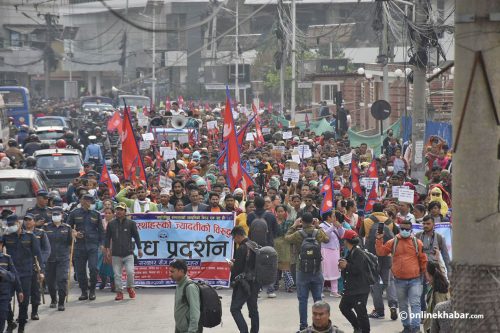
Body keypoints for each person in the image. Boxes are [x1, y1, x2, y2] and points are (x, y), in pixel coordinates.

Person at [376, 220, 428, 333]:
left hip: (415, 279)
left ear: (411, 230)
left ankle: (415, 329)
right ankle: (406, 327)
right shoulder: (392, 242)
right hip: (399, 281)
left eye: (407, 229)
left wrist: (423, 274)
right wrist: (379, 239)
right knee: (403, 306)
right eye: (402, 229)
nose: (404, 231)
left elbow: (423, 259)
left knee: (415, 304)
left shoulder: (417, 243)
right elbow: (380, 252)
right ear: (399, 229)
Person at [285, 213, 329, 331]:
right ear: (312, 221)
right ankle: (320, 325)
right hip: (316, 269)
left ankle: (303, 325)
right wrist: (318, 226)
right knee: (318, 300)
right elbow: (326, 239)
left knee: (302, 300)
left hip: (302, 270)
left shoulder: (298, 234)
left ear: (302, 222)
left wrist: (294, 226)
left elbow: (286, 238)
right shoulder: (318, 232)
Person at [4, 214, 43, 333]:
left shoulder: (31, 237)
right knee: (5, 299)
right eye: (9, 225)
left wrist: (40, 272)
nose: (11, 227)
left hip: (26, 273)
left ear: (19, 223)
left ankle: (21, 326)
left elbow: (38, 256)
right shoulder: (6, 236)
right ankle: (10, 322)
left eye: (13, 225)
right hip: (10, 274)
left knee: (23, 302)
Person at [67, 194, 105, 301]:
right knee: (80, 271)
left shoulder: (96, 214)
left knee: (93, 268)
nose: (90, 203)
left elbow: (101, 231)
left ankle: (92, 290)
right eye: (88, 201)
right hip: (79, 245)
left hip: (93, 245)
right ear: (82, 201)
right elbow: (67, 227)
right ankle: (84, 291)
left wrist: (102, 244)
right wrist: (74, 232)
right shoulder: (74, 213)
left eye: (91, 201)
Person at [105, 202, 143, 301]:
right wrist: (107, 250)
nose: (119, 211)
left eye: (121, 210)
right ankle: (119, 292)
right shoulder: (111, 224)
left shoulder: (131, 223)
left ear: (125, 212)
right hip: (116, 254)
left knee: (130, 272)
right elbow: (107, 237)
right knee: (117, 275)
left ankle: (130, 287)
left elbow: (136, 236)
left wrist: (139, 248)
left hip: (128, 253)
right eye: (117, 209)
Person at [338, 229, 371, 333]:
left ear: (346, 241)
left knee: (361, 313)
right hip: (352, 288)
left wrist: (346, 265)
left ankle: (364, 330)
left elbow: (358, 269)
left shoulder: (358, 252)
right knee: (344, 307)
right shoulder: (351, 251)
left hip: (360, 289)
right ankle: (357, 327)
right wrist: (343, 265)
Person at [229, 226, 259, 333]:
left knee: (235, 308)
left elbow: (238, 269)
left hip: (244, 283)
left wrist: (232, 265)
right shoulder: (253, 245)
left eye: (234, 238)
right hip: (255, 282)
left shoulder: (242, 248)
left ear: (238, 236)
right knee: (253, 309)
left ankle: (244, 330)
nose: (234, 241)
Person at [43, 206, 73, 311]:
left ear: (62, 216)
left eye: (58, 214)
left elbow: (70, 243)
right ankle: (53, 299)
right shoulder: (46, 227)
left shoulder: (67, 228)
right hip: (49, 259)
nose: (56, 216)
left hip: (63, 258)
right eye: (54, 214)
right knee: (50, 282)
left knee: (62, 279)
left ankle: (61, 302)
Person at [23, 212, 51, 320]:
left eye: (30, 220)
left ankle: (34, 312)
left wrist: (40, 263)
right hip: (24, 265)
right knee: (24, 290)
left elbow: (46, 250)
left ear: (34, 222)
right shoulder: (20, 234)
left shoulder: (41, 233)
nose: (27, 222)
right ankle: (23, 313)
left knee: (35, 290)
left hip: (36, 265)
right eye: (26, 220)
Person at [170, 259, 202, 333]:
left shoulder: (190, 287)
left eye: (172, 271)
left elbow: (195, 312)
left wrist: (192, 331)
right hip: (180, 328)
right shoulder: (179, 285)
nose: (170, 274)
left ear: (181, 271)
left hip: (189, 330)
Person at [319, 211, 344, 298]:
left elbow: (342, 235)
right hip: (326, 250)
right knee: (324, 270)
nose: (335, 218)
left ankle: (334, 291)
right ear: (328, 217)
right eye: (333, 216)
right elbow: (324, 235)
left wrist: (340, 227)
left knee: (335, 270)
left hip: (335, 251)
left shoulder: (335, 225)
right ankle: (319, 290)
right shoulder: (322, 226)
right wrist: (333, 227)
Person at [0, 235, 21, 333]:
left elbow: (14, 276)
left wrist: (3, 273)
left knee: (1, 318)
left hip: (3, 294)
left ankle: (9, 323)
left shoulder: (7, 259)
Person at [423, 262, 449, 333]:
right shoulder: (436, 287)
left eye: (426, 272)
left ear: (430, 275)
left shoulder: (438, 293)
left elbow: (442, 317)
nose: (425, 274)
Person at [99, 207, 115, 291]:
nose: (107, 215)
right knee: (99, 264)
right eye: (106, 213)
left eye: (109, 213)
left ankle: (113, 283)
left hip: (113, 245)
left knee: (111, 264)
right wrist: (101, 245)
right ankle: (103, 280)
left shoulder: (116, 223)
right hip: (102, 245)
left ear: (113, 214)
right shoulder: (101, 223)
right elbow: (99, 235)